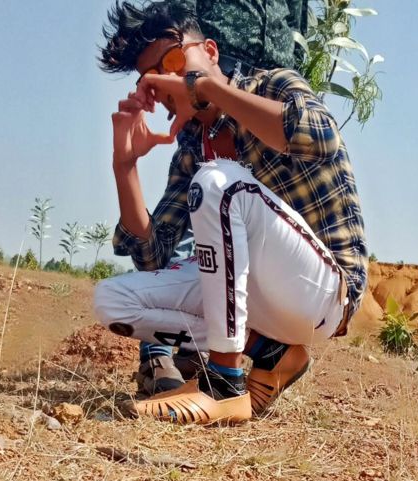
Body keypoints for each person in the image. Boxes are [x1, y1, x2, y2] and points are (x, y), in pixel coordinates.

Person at [94, 0, 368, 424]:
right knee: (113, 300)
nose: (168, 82)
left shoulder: (273, 85)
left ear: (211, 51)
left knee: (217, 180)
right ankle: (271, 352)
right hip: (257, 301)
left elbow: (319, 136)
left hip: (323, 294)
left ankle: (223, 384)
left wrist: (208, 89)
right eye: (153, 80)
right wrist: (124, 167)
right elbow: (153, 257)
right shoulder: (192, 148)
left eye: (173, 62)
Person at [136, 0, 309, 396]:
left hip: (264, 84)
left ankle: (215, 344)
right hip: (211, 76)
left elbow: (297, 21)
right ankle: (158, 348)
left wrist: (292, 74)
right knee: (198, 200)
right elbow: (179, 16)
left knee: (251, 217)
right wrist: (186, 73)